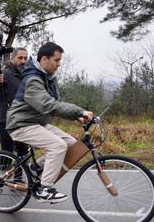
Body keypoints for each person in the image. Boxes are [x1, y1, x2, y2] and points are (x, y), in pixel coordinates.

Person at [6, 42, 93, 203]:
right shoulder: (33, 79)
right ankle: (44, 189)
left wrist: (76, 116)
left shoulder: (48, 78)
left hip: (36, 122)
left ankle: (35, 168)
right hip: (20, 124)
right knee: (58, 146)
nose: (59, 64)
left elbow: (57, 103)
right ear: (44, 59)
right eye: (57, 60)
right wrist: (79, 111)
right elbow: (47, 104)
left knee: (71, 143)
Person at [0, 47, 29, 156]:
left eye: (25, 58)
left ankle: (18, 173)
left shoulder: (24, 74)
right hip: (5, 120)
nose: (23, 61)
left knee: (22, 154)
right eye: (20, 58)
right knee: (7, 155)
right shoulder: (5, 72)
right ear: (12, 58)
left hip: (20, 120)